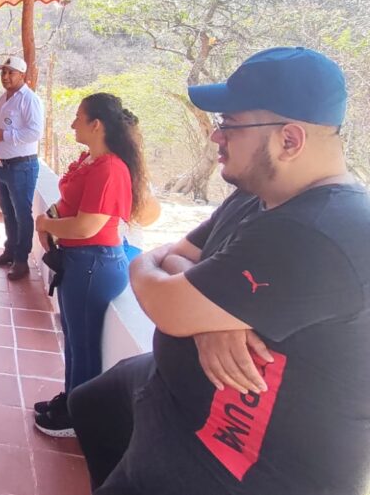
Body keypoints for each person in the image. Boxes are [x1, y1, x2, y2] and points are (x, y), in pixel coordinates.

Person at [68, 47, 370, 495]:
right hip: (177, 400)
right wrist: (210, 317)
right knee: (91, 405)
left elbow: (167, 304)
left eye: (230, 124)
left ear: (289, 140)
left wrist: (178, 291)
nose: (215, 136)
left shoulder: (325, 232)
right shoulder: (255, 196)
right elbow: (178, 255)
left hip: (237, 465)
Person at [32, 93, 150, 437]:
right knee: (73, 337)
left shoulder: (110, 169)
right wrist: (52, 215)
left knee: (83, 345)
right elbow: (70, 202)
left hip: (93, 264)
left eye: (78, 118)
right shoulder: (91, 161)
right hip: (79, 262)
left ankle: (77, 416)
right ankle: (71, 397)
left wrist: (46, 224)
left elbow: (86, 227)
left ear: (96, 125)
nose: (73, 124)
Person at [0, 55, 44, 281]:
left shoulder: (30, 100)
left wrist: (4, 135)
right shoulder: (3, 99)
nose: (6, 77)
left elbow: (35, 132)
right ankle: (10, 251)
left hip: (21, 166)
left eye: (11, 73)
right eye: (3, 73)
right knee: (8, 213)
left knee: (22, 215)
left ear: (22, 75)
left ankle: (21, 260)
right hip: (2, 165)